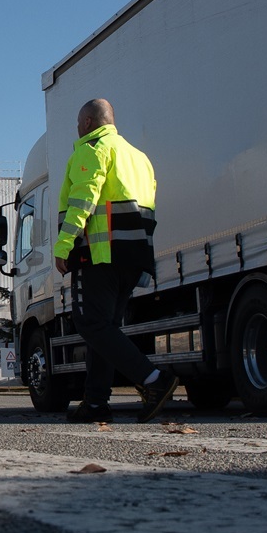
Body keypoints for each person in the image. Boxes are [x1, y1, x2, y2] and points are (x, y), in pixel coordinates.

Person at [53, 98, 177, 422]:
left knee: (90, 323)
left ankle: (154, 380)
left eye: (79, 123)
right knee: (104, 330)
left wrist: (64, 246)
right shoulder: (139, 157)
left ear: (90, 123)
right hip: (132, 257)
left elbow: (83, 199)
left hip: (98, 254)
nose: (78, 129)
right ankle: (95, 403)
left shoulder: (92, 149)